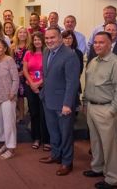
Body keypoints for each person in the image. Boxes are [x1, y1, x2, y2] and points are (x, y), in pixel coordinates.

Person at [82, 31, 117, 189]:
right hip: (92, 107)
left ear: (110, 44)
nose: (97, 45)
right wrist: (85, 103)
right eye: (95, 42)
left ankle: (113, 179)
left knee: (110, 146)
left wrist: (112, 111)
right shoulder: (93, 61)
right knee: (95, 142)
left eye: (101, 42)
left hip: (107, 109)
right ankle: (98, 168)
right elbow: (87, 84)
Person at [39, 27, 80, 176]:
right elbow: (47, 74)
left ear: (60, 39)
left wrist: (67, 104)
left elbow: (72, 83)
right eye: (47, 38)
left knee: (65, 134)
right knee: (53, 132)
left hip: (63, 104)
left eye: (52, 38)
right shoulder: (46, 51)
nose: (49, 41)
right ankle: (56, 155)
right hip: (48, 100)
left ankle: (67, 162)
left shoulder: (70, 56)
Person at [0, 39, 19, 160]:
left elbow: (16, 79)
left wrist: (13, 93)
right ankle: (5, 144)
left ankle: (11, 148)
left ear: (5, 48)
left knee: (9, 123)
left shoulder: (9, 60)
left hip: (8, 96)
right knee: (0, 123)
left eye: (0, 47)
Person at [23, 31, 50, 151]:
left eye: (39, 39)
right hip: (30, 86)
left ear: (43, 40)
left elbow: (49, 71)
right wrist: (32, 83)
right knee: (34, 114)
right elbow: (25, 70)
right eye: (35, 40)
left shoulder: (47, 53)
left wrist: (39, 83)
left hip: (44, 87)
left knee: (45, 114)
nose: (37, 41)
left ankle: (47, 140)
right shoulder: (28, 53)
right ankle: (36, 138)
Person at [10, 27, 30, 124]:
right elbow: (11, 61)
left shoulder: (30, 46)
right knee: (19, 96)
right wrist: (15, 73)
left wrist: (24, 71)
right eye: (20, 32)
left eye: (24, 32)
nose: (22, 34)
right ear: (17, 34)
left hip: (28, 73)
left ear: (27, 34)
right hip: (16, 74)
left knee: (28, 95)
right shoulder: (13, 46)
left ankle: (30, 114)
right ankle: (20, 115)